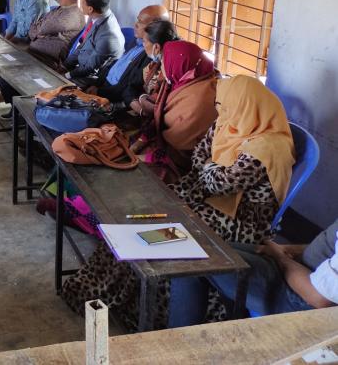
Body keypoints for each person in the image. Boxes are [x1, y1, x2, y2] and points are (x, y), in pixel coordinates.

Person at [62, 75, 295, 331]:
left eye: (224, 105)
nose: (219, 111)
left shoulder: (270, 148)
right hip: (200, 201)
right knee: (130, 223)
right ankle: (102, 296)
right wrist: (210, 167)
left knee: (152, 240)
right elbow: (199, 156)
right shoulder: (229, 124)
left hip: (235, 222)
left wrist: (208, 167)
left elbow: (218, 183)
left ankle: (142, 313)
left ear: (245, 105)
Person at [169, 217, 338, 327]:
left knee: (191, 260)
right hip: (299, 272)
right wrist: (288, 250)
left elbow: (319, 298)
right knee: (210, 248)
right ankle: (231, 322)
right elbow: (329, 245)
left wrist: (282, 258)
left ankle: (175, 346)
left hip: (300, 299)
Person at [133, 40, 218, 182]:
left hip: (184, 165)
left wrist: (140, 157)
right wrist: (140, 141)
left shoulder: (198, 102)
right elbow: (158, 112)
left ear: (179, 64)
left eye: (165, 62)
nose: (163, 67)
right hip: (164, 147)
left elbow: (180, 149)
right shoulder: (186, 79)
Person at [85, 5, 171, 104]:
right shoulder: (137, 40)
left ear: (155, 28)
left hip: (112, 98)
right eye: (137, 20)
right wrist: (96, 84)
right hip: (102, 85)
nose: (135, 25)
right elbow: (116, 64)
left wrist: (99, 92)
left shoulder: (152, 55)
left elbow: (127, 87)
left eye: (140, 22)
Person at [61, 0, 125, 82]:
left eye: (82, 2)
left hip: (93, 78)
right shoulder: (97, 16)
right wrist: (64, 66)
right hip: (81, 68)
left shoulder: (108, 35)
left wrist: (66, 75)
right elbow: (82, 46)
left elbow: (90, 68)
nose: (80, 4)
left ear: (90, 9)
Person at [27, 0, 85, 67]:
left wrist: (39, 34)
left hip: (46, 61)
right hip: (35, 54)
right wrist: (41, 34)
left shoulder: (70, 16)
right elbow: (33, 30)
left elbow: (37, 30)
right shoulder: (59, 9)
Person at [128, 19, 179, 117]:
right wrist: (137, 102)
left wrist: (142, 101)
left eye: (144, 41)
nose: (143, 45)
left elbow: (162, 106)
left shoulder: (171, 72)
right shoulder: (155, 63)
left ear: (156, 47)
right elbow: (132, 86)